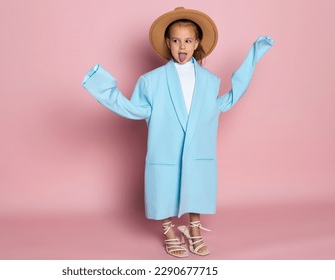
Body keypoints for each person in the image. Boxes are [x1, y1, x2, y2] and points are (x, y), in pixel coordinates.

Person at [82, 7, 273, 257]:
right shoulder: (151, 81)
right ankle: (169, 230)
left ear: (196, 44)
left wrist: (254, 56)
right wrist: (103, 87)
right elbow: (135, 109)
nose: (181, 46)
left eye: (187, 40)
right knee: (163, 187)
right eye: (175, 40)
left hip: (197, 151)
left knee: (196, 184)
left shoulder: (210, 81)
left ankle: (194, 230)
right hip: (165, 149)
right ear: (167, 44)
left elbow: (229, 98)